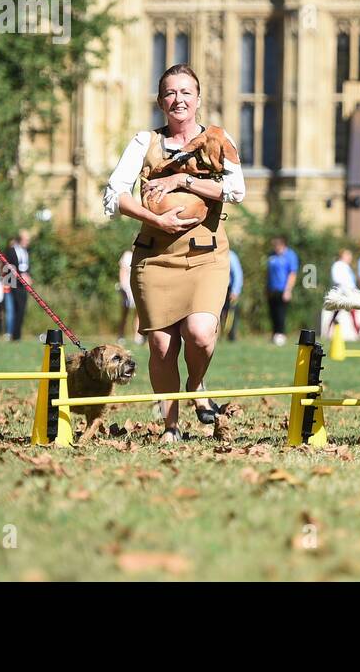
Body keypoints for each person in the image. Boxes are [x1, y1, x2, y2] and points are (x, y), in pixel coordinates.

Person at [104, 63, 245, 443]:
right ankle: (171, 427)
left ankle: (196, 385)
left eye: (186, 92)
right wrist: (153, 217)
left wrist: (183, 179)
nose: (178, 99)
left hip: (206, 255)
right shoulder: (144, 142)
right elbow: (114, 195)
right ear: (160, 101)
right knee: (162, 345)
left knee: (199, 333)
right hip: (155, 257)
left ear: (198, 99)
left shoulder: (217, 139)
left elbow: (235, 190)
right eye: (170, 93)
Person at [266, 236, 299, 346]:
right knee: (273, 313)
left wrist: (288, 290)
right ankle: (274, 334)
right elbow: (268, 273)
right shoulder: (272, 255)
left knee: (281, 313)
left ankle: (281, 334)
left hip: (283, 289)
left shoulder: (290, 255)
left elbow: (292, 274)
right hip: (272, 289)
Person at [3, 229, 32, 341]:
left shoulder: (27, 251)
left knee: (21, 309)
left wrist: (28, 276)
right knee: (13, 309)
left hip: (23, 285)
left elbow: (27, 266)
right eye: (26, 239)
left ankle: (17, 334)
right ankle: (12, 334)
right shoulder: (11, 251)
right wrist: (20, 276)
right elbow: (9, 267)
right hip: (13, 283)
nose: (27, 242)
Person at [328, 248, 360, 338]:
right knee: (349, 312)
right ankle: (357, 332)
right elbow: (337, 279)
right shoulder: (338, 265)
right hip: (342, 293)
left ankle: (329, 330)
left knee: (340, 312)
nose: (350, 257)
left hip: (347, 292)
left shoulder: (346, 267)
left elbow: (351, 282)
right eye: (348, 255)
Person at [116, 248, 137, 343]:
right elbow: (122, 271)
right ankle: (121, 335)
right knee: (125, 312)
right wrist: (123, 287)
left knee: (139, 314)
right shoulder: (127, 255)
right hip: (127, 288)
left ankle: (137, 337)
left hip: (137, 287)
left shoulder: (143, 254)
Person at [224, 248, 243, 343]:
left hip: (229, 289)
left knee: (231, 314)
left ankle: (231, 336)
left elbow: (238, 274)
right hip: (218, 288)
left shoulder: (231, 256)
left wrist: (235, 291)